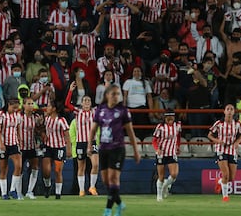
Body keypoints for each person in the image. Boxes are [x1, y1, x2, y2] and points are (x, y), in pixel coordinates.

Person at [88, 84, 141, 216]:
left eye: (118, 94)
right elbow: (93, 129)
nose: (116, 96)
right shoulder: (100, 109)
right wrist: (89, 145)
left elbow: (130, 131)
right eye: (114, 94)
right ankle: (119, 203)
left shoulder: (123, 111)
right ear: (107, 95)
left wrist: (136, 150)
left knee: (113, 178)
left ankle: (107, 210)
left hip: (117, 149)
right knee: (106, 180)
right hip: (104, 148)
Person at [65, 82, 99, 197]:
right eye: (85, 100)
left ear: (91, 103)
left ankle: (92, 186)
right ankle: (81, 190)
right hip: (81, 143)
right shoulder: (77, 112)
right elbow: (67, 104)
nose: (87, 102)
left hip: (92, 142)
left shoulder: (94, 112)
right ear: (81, 103)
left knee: (95, 164)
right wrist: (70, 91)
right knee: (81, 167)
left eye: (88, 101)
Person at [208, 103, 241, 202]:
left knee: (231, 178)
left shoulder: (237, 124)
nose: (229, 111)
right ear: (224, 111)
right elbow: (210, 135)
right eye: (227, 109)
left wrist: (237, 142)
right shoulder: (219, 123)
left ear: (234, 112)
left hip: (232, 150)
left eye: (231, 109)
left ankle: (219, 181)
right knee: (226, 174)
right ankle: (225, 197)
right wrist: (218, 141)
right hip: (220, 149)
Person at [0, 99, 23, 200]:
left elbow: (18, 128)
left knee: (19, 166)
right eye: (14, 107)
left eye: (17, 107)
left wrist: (19, 139)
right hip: (3, 143)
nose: (15, 109)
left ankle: (12, 190)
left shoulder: (18, 115)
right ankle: (4, 193)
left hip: (14, 143)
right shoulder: (2, 114)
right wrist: (1, 143)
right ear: (8, 105)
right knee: (3, 169)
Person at [42, 100, 71, 199]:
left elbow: (67, 134)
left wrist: (69, 149)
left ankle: (58, 193)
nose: (47, 108)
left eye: (49, 106)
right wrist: (43, 134)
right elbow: (42, 129)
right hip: (48, 146)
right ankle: (47, 185)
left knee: (58, 171)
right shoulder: (46, 119)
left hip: (59, 147)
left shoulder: (61, 120)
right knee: (46, 171)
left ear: (54, 109)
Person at [152, 110, 181, 202]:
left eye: (172, 116)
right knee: (161, 176)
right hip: (162, 153)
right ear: (165, 118)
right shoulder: (160, 127)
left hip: (172, 152)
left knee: (174, 174)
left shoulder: (178, 126)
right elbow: (154, 140)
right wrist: (157, 149)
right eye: (168, 117)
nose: (170, 118)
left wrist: (178, 146)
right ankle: (159, 196)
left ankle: (165, 186)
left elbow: (178, 136)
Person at [19, 97, 42, 199]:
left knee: (35, 167)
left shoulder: (36, 117)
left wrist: (40, 125)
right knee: (19, 169)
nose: (31, 106)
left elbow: (39, 131)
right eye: (29, 103)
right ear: (24, 105)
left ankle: (30, 191)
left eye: (32, 103)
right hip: (21, 147)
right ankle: (19, 192)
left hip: (32, 146)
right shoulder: (19, 117)